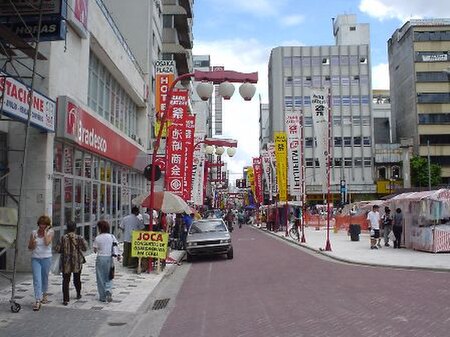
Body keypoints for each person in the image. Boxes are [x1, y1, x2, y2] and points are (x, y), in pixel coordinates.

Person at [56, 221, 88, 305]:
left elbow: (58, 249)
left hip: (66, 262)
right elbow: (85, 248)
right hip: (77, 261)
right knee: (77, 278)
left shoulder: (63, 238)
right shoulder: (79, 237)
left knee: (66, 280)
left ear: (67, 228)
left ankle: (65, 299)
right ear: (75, 228)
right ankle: (78, 293)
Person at [27, 215, 54, 311]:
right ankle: (37, 300)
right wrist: (33, 243)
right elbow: (29, 247)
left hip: (46, 258)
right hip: (36, 258)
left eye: (44, 225)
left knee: (44, 277)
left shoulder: (50, 232)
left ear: (47, 225)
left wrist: (45, 232)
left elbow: (47, 243)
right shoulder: (34, 233)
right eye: (41, 224)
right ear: (38, 224)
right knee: (37, 279)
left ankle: (45, 293)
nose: (42, 226)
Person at [93, 220, 121, 303]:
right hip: (109, 258)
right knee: (109, 275)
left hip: (100, 258)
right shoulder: (111, 236)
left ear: (100, 228)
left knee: (100, 277)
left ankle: (102, 296)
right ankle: (108, 289)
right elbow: (116, 246)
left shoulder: (98, 238)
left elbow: (95, 250)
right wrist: (118, 256)